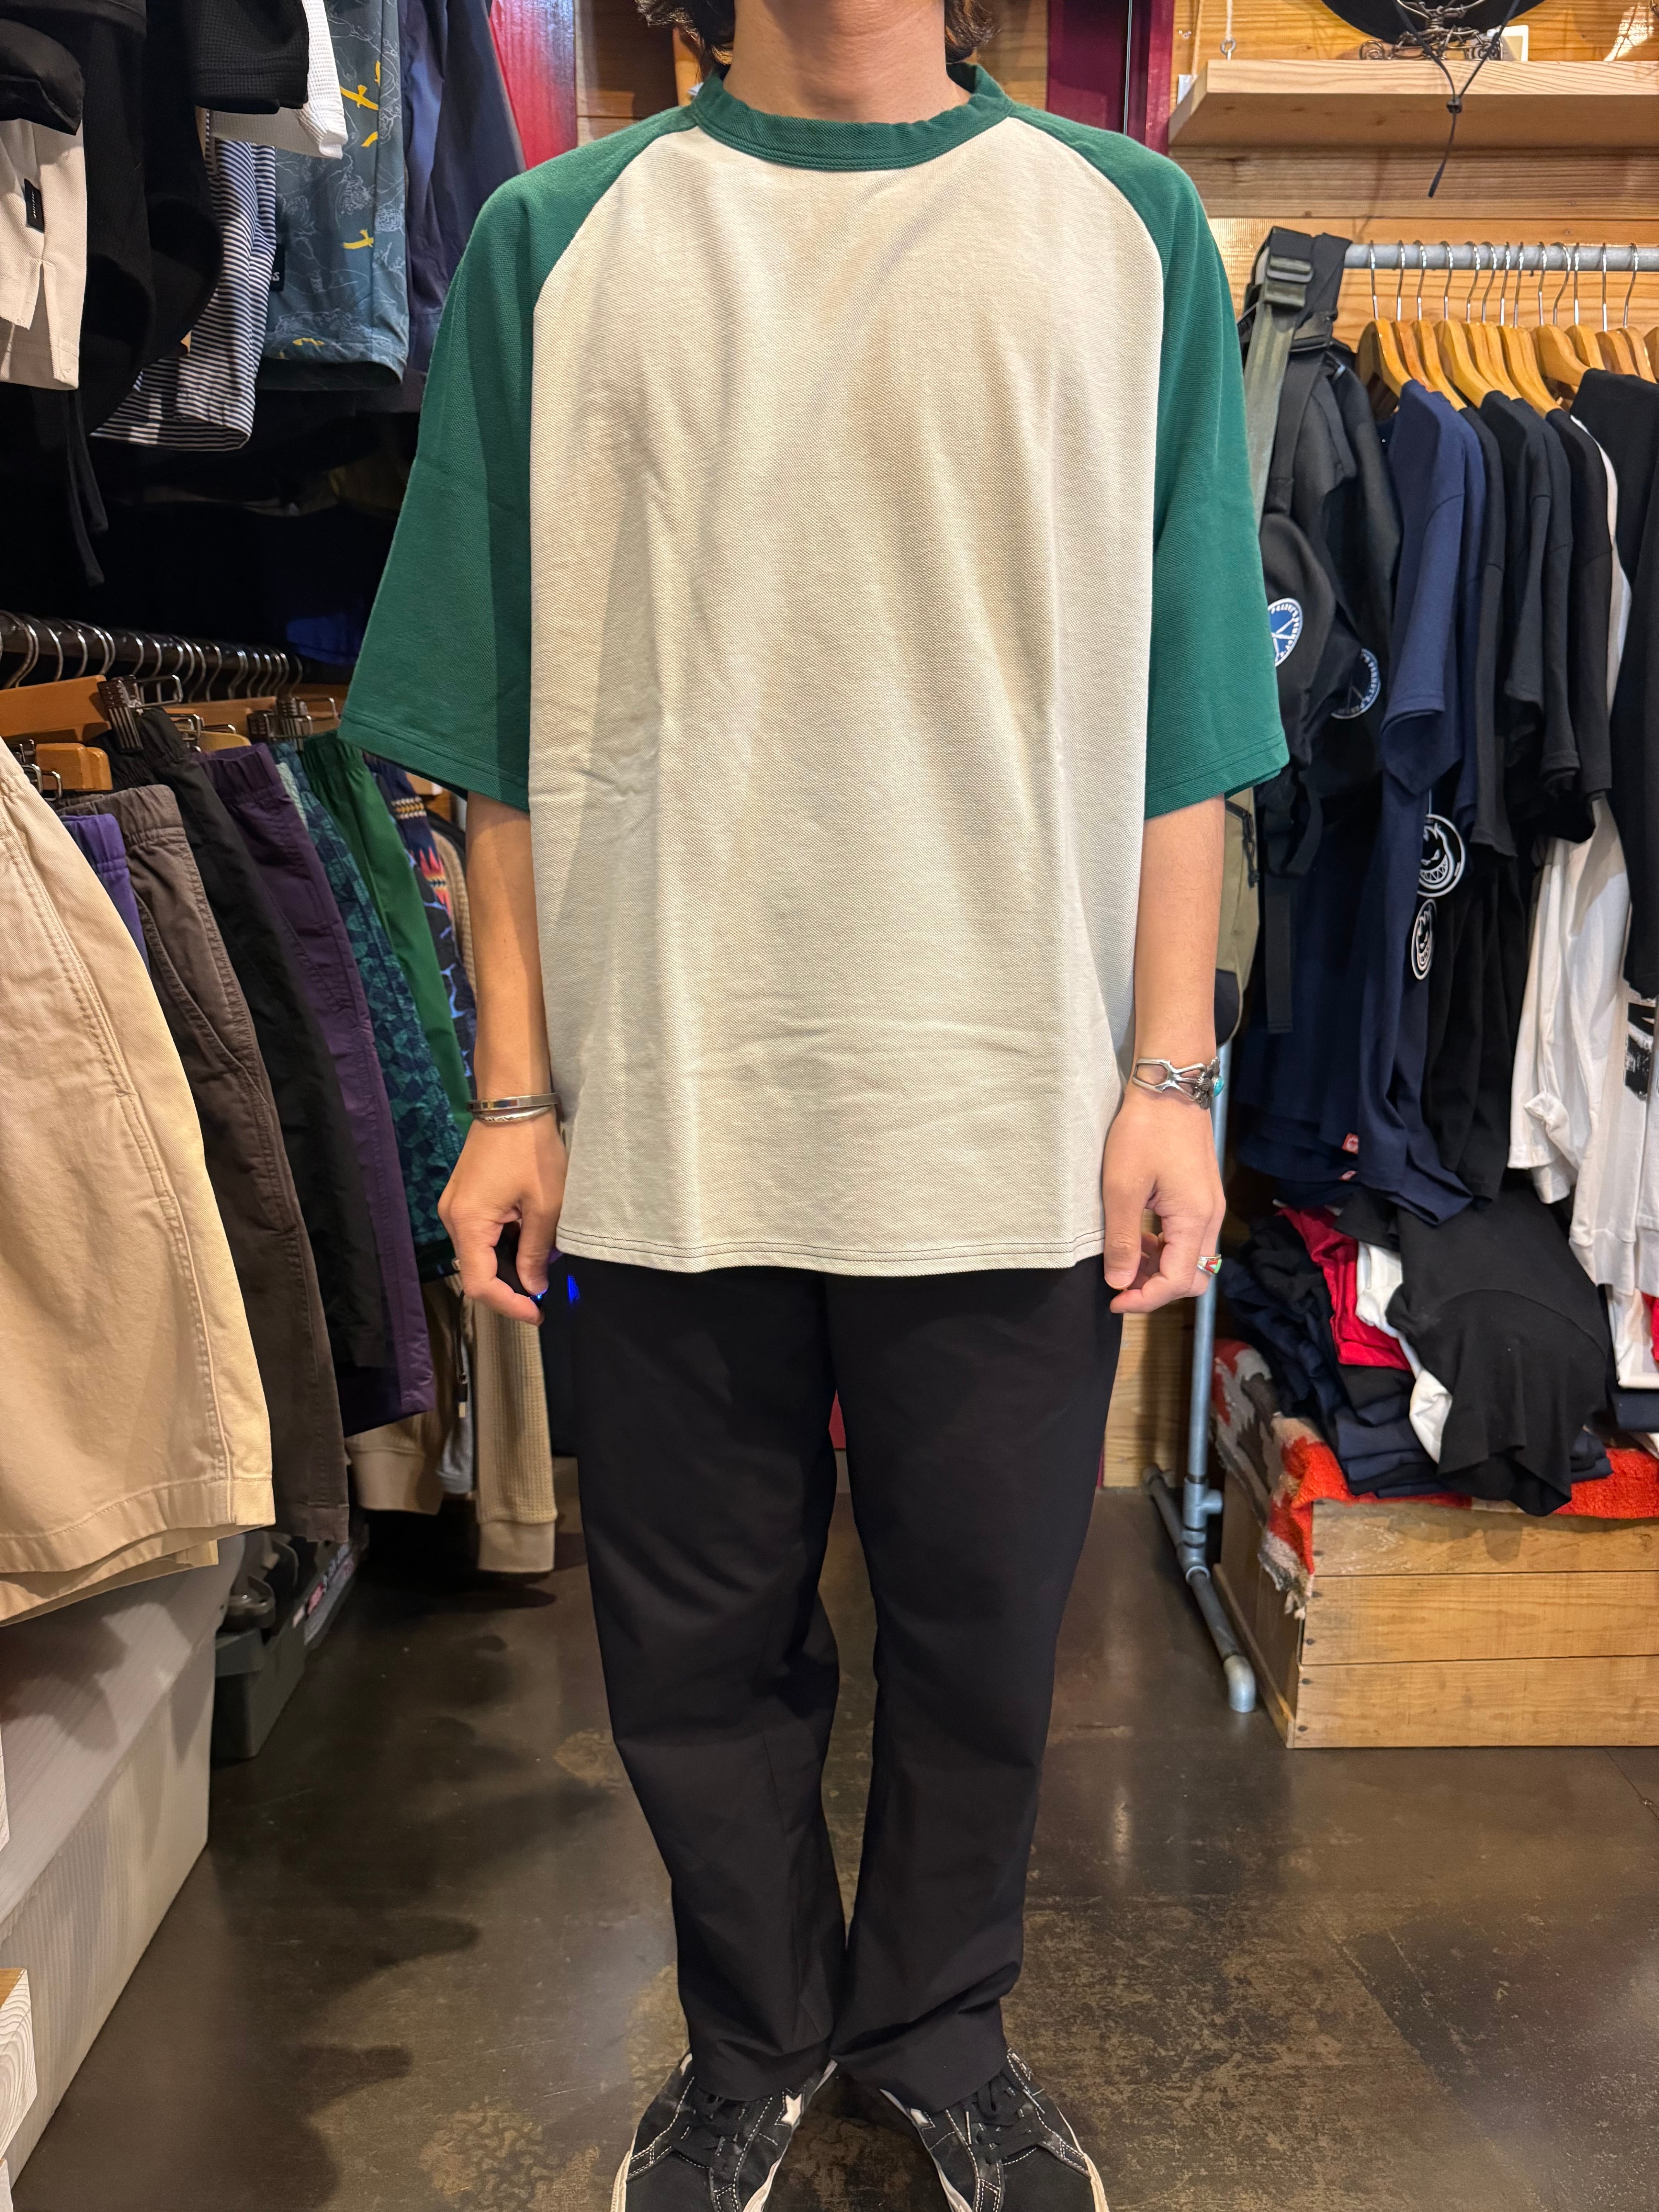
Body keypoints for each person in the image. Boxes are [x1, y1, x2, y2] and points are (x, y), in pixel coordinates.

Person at [340, 0, 1285, 2202]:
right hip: (673, 1097)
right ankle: (753, 2039)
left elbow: (1189, 708)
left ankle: (941, 2032)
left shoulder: (1127, 224)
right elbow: (488, 722)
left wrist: (1172, 1072)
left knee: (985, 1632)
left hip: (1009, 1100)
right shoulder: (553, 240)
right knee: (692, 1650)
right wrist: (512, 1092)